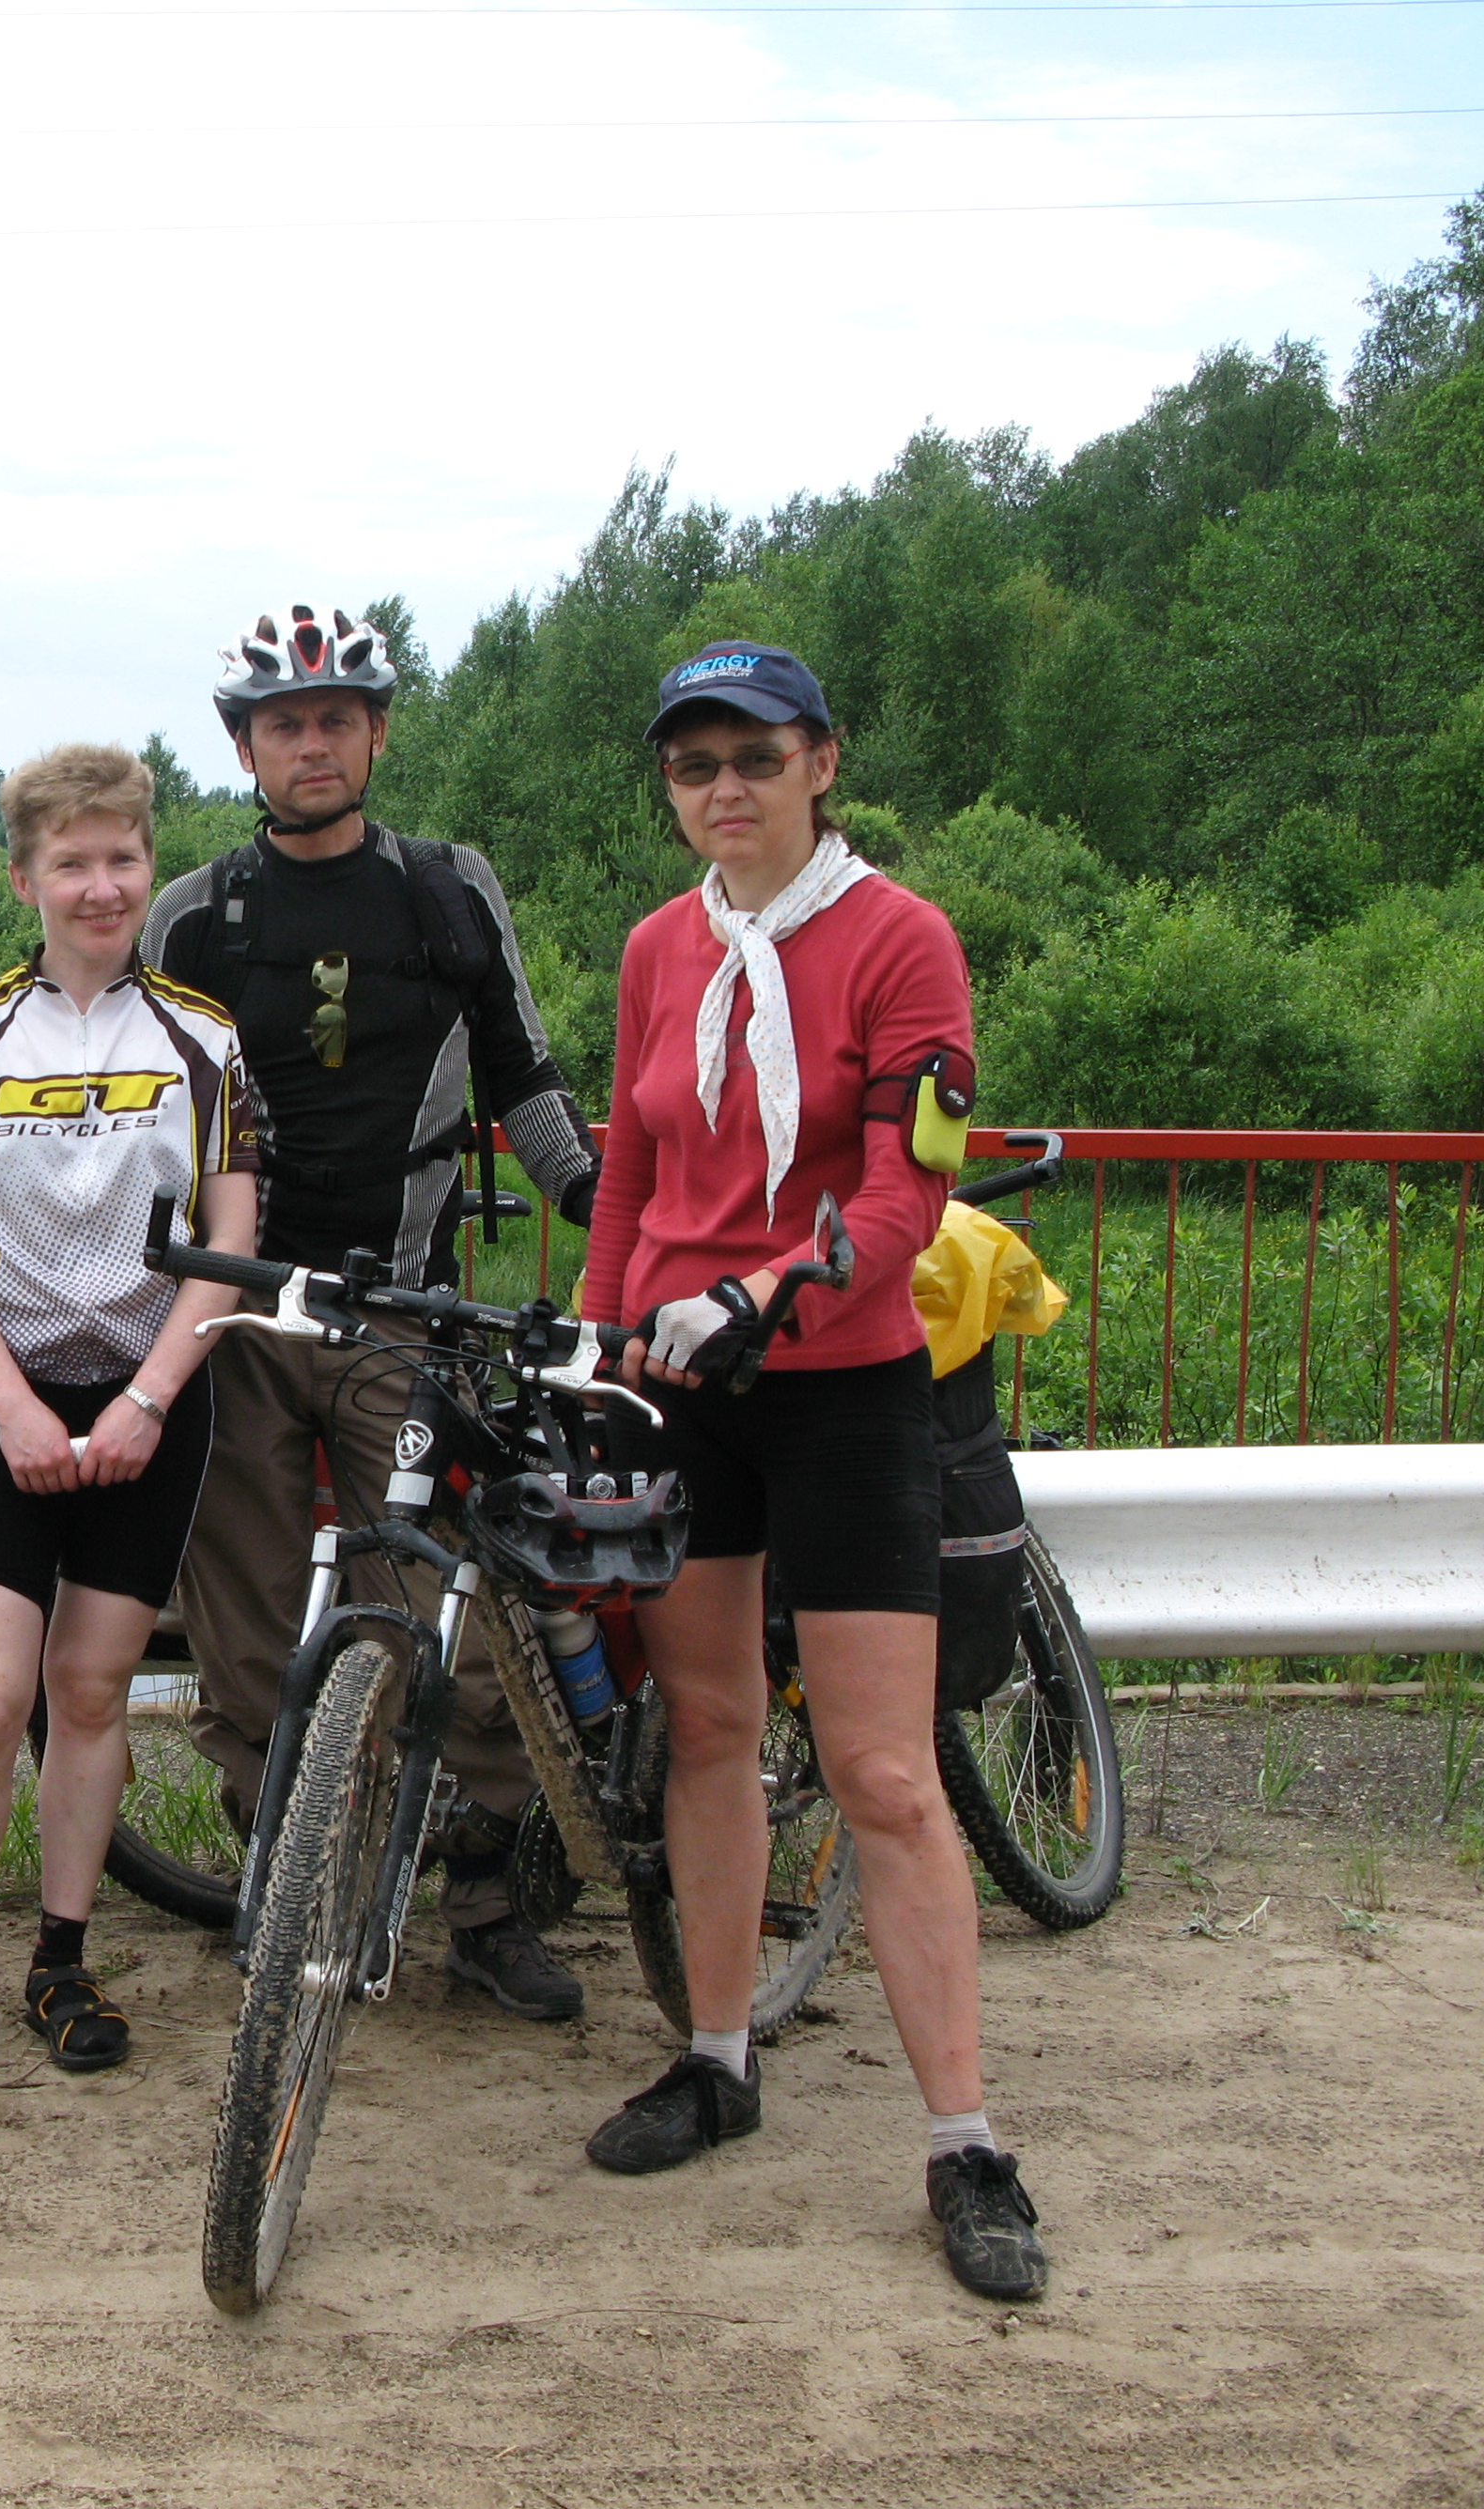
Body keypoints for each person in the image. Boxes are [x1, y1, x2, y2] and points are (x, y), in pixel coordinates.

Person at [580, 642, 1046, 2300]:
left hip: (841, 1387)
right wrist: (602, 1341)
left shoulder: (902, 938)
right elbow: (632, 1170)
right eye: (693, 764)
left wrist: (770, 1291)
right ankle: (717, 2059)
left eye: (756, 758)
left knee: (883, 1772)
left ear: (822, 763)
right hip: (681, 1388)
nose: (725, 788)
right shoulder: (659, 949)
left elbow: (913, 1191)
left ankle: (966, 2144)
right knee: (708, 1728)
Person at [140, 603, 601, 2023]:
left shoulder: (449, 891)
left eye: (337, 717)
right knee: (244, 1634)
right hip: (240, 1320)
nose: (313, 743)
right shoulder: (194, 917)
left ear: (378, 733)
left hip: (410, 1313)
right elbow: (147, 1124)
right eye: (284, 723)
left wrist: (614, 1217)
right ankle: (292, 1879)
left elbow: (523, 1074)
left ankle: (484, 1904)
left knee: (450, 1618)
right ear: (245, 748)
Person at [0, 745, 258, 2086]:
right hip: (11, 1402)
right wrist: (7, 1405)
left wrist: (151, 1398)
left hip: (152, 1403)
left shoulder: (204, 1038)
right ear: (24, 877)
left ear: (150, 864)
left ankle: (62, 1958)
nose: (102, 886)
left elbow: (230, 1240)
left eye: (123, 859)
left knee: (92, 1693)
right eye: (72, 862)